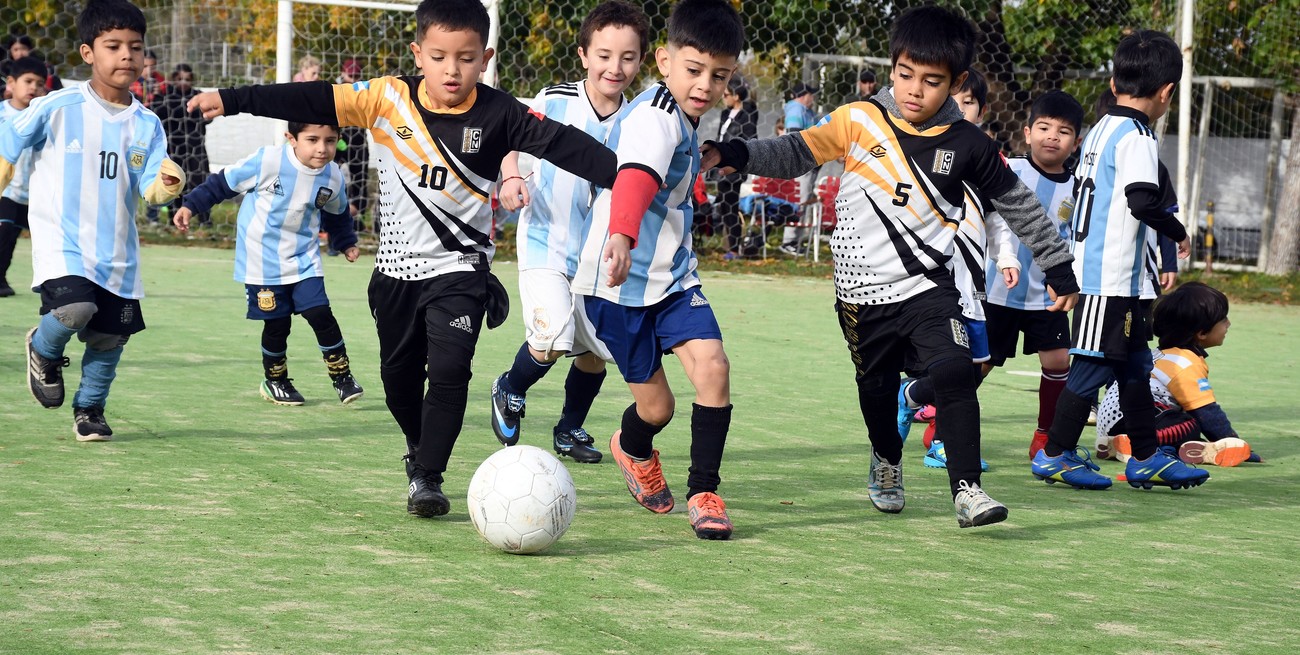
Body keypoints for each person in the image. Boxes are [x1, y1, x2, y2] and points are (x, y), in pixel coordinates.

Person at [186, 0, 618, 519]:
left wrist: (638, 177)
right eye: (438, 56)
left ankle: (428, 476)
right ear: (418, 54)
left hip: (460, 270)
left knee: (453, 369)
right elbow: (313, 97)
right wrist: (232, 100)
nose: (451, 70)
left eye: (464, 58)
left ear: (486, 57)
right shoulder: (385, 98)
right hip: (394, 274)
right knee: (398, 382)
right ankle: (418, 450)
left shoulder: (502, 113)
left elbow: (567, 146)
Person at [704, 4, 1080, 528]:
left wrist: (1057, 265)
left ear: (957, 82)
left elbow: (1017, 203)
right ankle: (886, 458)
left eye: (931, 81)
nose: (914, 90)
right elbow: (795, 151)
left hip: (929, 287)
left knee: (956, 370)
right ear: (892, 67)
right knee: (875, 389)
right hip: (860, 293)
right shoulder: (858, 119)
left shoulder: (969, 144)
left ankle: (968, 488)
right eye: (905, 75)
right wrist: (735, 153)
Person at [572, 0, 744, 540]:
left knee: (713, 368)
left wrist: (712, 157)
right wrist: (622, 234)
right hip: (615, 283)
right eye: (694, 70)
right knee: (659, 406)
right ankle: (632, 446)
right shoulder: (655, 115)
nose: (705, 84)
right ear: (665, 60)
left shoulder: (686, 119)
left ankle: (704, 492)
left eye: (718, 75)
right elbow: (639, 174)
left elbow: (672, 169)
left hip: (671, 279)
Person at [1030, 30, 1208, 492]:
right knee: (1093, 365)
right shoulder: (1137, 136)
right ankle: (1056, 454)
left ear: (1113, 82)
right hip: (1107, 278)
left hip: (1120, 281)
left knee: (1134, 367)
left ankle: (1146, 457)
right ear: (1168, 92)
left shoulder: (1103, 127)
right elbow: (1142, 201)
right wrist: (1178, 232)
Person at [0, 0, 183, 441]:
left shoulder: (147, 123)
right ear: (88, 54)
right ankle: (41, 349)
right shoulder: (59, 104)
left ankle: (90, 409)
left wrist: (167, 185)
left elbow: (148, 184)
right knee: (76, 309)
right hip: (62, 241)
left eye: (135, 47)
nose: (126, 56)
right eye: (113, 45)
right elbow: (11, 137)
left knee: (109, 339)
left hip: (117, 249)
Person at [490, 0, 650, 464]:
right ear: (583, 54)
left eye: (627, 57)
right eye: (603, 55)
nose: (614, 67)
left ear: (641, 59)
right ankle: (510, 387)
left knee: (595, 347)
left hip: (599, 254)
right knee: (553, 337)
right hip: (545, 241)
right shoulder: (554, 100)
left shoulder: (640, 119)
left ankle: (570, 428)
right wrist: (512, 176)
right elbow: (509, 138)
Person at [172, 122, 364, 406]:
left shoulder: (333, 175)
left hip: (303, 259)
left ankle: (342, 377)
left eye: (330, 140)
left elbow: (337, 215)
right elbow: (221, 184)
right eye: (312, 139)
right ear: (291, 138)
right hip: (261, 260)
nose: (322, 149)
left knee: (320, 313)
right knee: (277, 324)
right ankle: (276, 380)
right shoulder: (268, 161)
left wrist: (346, 241)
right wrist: (190, 205)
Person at [897, 67, 1000, 473]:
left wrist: (1007, 258)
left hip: (977, 282)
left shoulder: (989, 158)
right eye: (953, 97)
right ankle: (943, 442)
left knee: (980, 364)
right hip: (936, 281)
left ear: (982, 109)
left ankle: (910, 397)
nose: (959, 107)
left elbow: (1001, 218)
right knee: (954, 363)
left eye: (969, 101)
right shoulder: (916, 150)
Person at [978, 90, 1085, 460]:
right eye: (1044, 127)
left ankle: (1045, 436)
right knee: (982, 362)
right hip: (998, 293)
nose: (1052, 136)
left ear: (1077, 142)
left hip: (1047, 296)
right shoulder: (1009, 171)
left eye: (1063, 131)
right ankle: (942, 423)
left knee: (1058, 362)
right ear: (1027, 133)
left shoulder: (1078, 189)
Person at [1094, 282, 1256, 466]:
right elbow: (1206, 413)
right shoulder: (1185, 362)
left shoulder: (1157, 354)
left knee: (1181, 425)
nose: (1229, 323)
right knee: (1190, 426)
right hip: (1136, 419)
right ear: (1202, 333)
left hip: (1110, 423)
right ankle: (1138, 444)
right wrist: (1232, 443)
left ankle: (1138, 447)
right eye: (1223, 319)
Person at [0, 57, 45, 298]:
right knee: (4, 232)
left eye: (39, 84)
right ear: (11, 83)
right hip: (5, 189)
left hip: (33, 192)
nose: (33, 88)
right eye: (28, 81)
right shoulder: (2, 113)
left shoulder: (43, 117)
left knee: (24, 238)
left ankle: (51, 281)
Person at [154, 63, 212, 226]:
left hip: (195, 145)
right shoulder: (166, 96)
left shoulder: (197, 96)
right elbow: (158, 115)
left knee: (199, 181)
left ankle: (205, 220)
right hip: (173, 147)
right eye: (180, 79)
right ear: (173, 79)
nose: (183, 83)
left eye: (187, 79)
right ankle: (174, 219)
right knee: (174, 181)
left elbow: (208, 117)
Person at [714, 78, 757, 259]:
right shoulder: (726, 114)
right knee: (723, 206)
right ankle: (728, 246)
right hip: (719, 164)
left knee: (731, 206)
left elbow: (749, 139)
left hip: (733, 167)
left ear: (736, 96)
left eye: (726, 95)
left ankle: (734, 248)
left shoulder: (747, 116)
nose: (724, 98)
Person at [779, 81, 818, 256]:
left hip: (810, 163)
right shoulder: (796, 109)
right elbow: (795, 136)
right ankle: (789, 242)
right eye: (811, 95)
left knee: (805, 201)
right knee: (799, 201)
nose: (813, 98)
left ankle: (796, 241)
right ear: (803, 96)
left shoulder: (807, 112)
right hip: (801, 163)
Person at [333, 57, 369, 230]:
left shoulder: (364, 90)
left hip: (357, 142)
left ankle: (351, 216)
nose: (353, 79)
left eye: (356, 76)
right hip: (338, 141)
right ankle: (332, 219)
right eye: (350, 76)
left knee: (359, 178)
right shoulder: (335, 90)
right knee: (334, 176)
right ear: (342, 73)